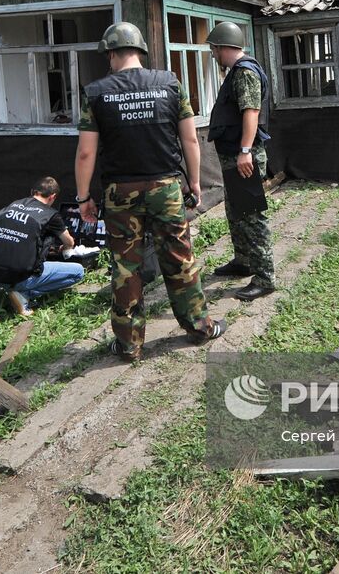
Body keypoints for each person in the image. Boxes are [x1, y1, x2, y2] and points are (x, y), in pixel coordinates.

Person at [75, 21, 228, 361]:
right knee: (179, 257)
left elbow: (86, 152)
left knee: (126, 267)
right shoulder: (171, 84)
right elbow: (189, 138)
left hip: (120, 192)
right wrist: (195, 181)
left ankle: (129, 344)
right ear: (140, 51)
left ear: (112, 53)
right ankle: (200, 327)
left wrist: (84, 197)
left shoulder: (96, 93)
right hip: (166, 187)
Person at [205, 21, 276, 300]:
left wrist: (245, 150)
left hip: (243, 155)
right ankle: (243, 261)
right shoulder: (236, 71)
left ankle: (265, 277)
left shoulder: (244, 72)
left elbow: (251, 112)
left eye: (213, 49)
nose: (213, 54)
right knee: (236, 212)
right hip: (234, 156)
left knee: (251, 215)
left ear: (223, 47)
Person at [0, 176, 84, 317]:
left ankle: (14, 291)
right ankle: (24, 293)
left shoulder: (12, 205)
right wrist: (64, 249)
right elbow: (69, 242)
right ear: (53, 197)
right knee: (78, 272)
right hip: (18, 277)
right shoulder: (50, 214)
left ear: (32, 191)